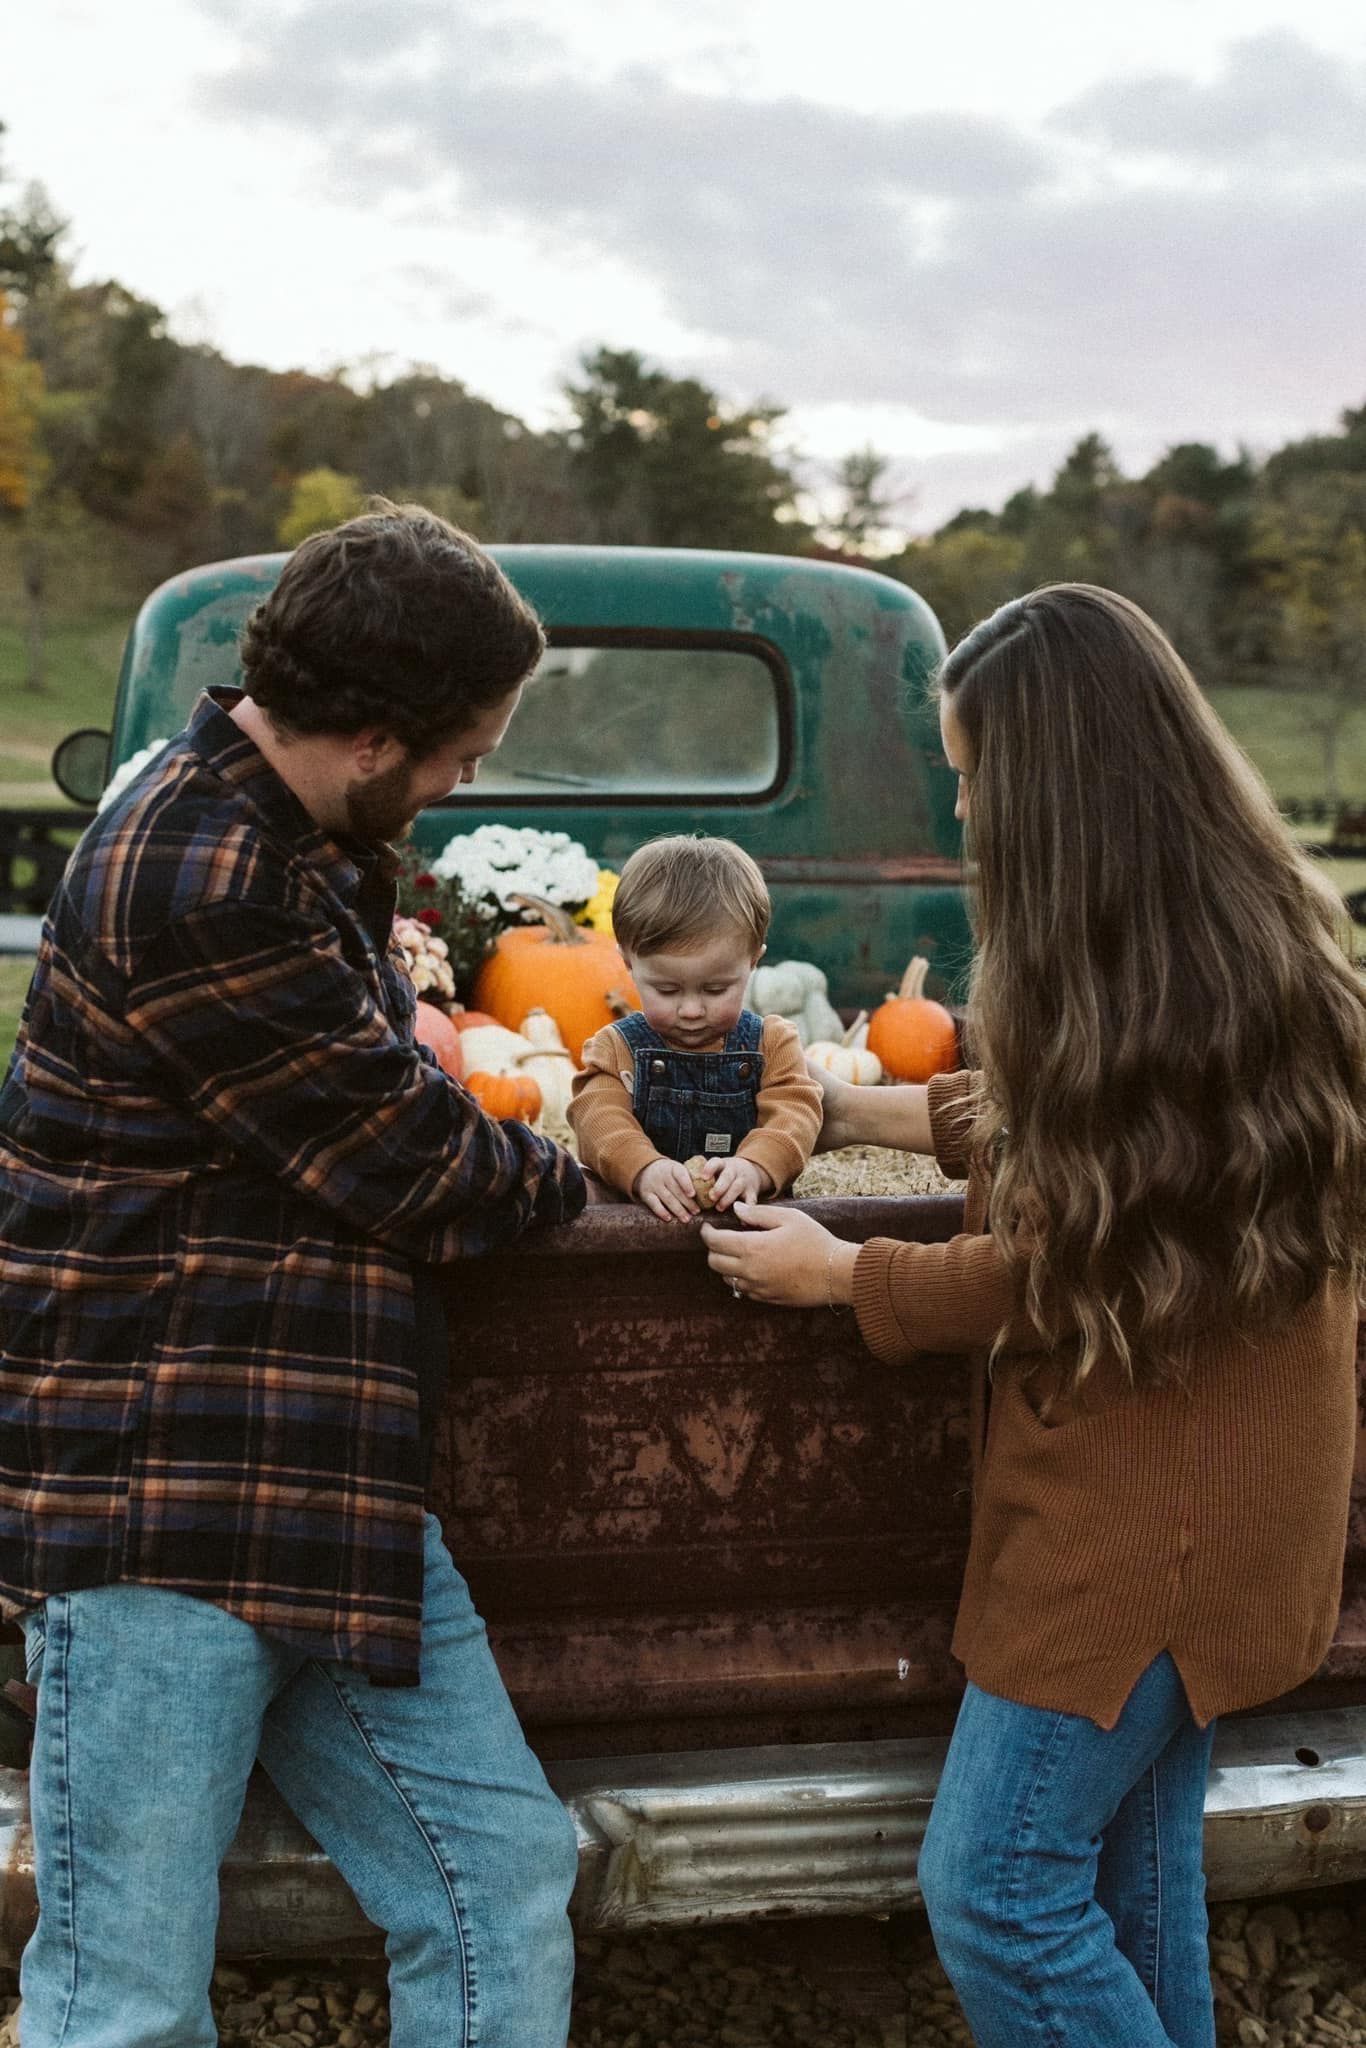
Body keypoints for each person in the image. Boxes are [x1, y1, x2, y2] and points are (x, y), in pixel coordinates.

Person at [702, 583, 1366, 2048]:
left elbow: (1078, 1264)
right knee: (1129, 1887)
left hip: (1153, 1522)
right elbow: (1080, 1138)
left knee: (995, 1889)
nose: (962, 810)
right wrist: (853, 1105)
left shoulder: (1197, 988)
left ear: (1056, 781)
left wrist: (845, 1275)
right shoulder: (1200, 942)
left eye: (971, 774)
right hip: (1194, 1489)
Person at [0, 503, 588, 2048]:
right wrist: (573, 1160)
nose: (468, 779)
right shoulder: (200, 872)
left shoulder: (296, 837)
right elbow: (422, 1164)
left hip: (325, 1483)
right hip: (166, 1503)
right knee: (124, 1994)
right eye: (464, 749)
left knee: (497, 1879)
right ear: (377, 735)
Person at [567, 834, 822, 1219]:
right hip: (642, 1224)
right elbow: (597, 1117)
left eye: (715, 989)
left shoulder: (771, 1043)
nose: (690, 1010)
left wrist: (755, 1166)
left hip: (744, 1221)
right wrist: (642, 1168)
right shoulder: (615, 1048)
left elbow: (795, 1114)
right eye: (667, 989)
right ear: (629, 963)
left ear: (753, 960)